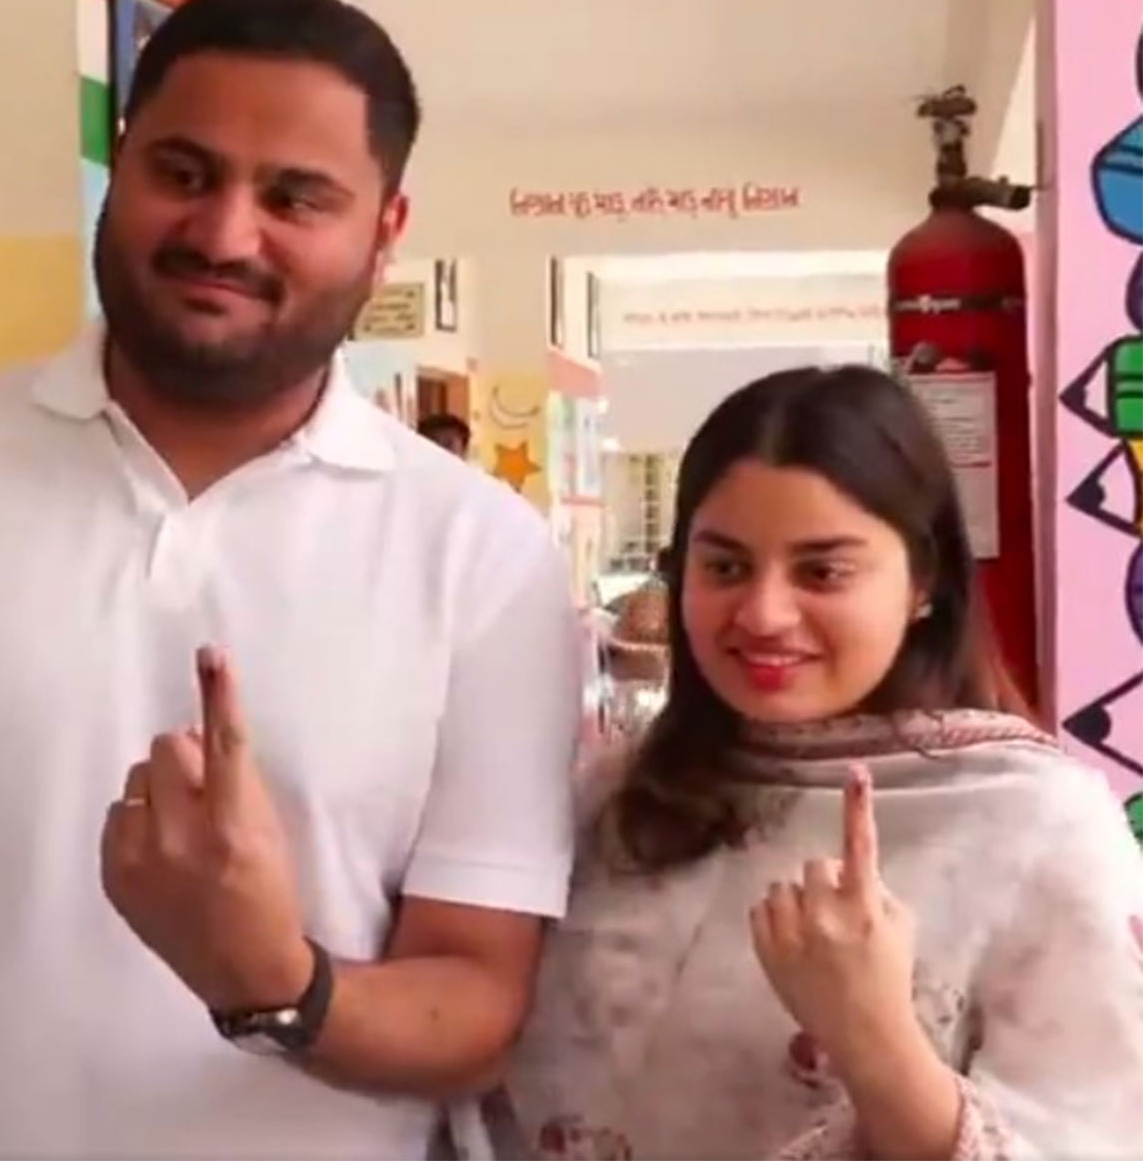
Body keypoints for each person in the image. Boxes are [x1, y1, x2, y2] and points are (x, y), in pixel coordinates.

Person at [0, 0, 581, 1161]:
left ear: (386, 228)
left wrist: (276, 981)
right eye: (183, 172)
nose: (225, 234)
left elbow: (479, 997)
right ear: (121, 161)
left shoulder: (485, 557)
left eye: (296, 196)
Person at [477, 366, 1143, 1158]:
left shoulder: (1038, 828)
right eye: (724, 567)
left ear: (923, 581)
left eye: (822, 571)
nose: (763, 613)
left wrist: (873, 1037)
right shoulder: (614, 799)